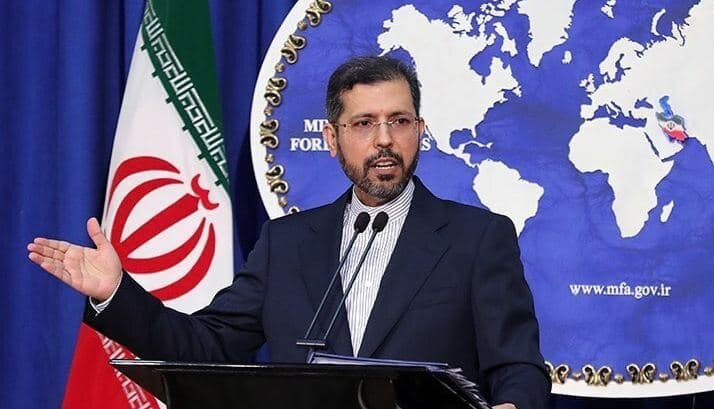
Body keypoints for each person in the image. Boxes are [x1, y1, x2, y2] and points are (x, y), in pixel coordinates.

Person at [28, 56, 550, 409]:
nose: (384, 140)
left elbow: (518, 367)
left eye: (400, 121)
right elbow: (207, 348)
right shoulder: (287, 244)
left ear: (420, 130)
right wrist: (115, 294)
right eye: (364, 123)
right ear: (332, 138)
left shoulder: (478, 238)